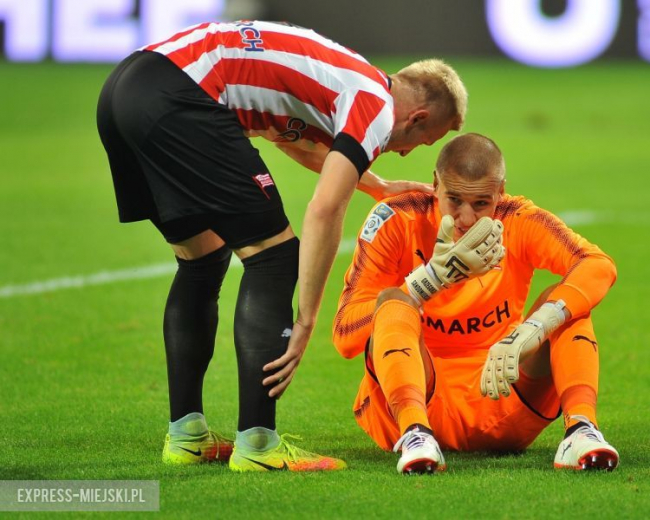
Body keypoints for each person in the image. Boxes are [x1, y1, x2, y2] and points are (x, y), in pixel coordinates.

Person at [96, 20, 467, 472]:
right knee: (273, 257)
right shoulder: (376, 106)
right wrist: (308, 318)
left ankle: (187, 435)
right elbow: (326, 209)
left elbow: (293, 139)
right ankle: (258, 444)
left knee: (202, 258)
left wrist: (377, 185)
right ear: (418, 118)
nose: (408, 152)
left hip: (126, 90)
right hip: (179, 97)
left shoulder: (346, 79)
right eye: (421, 143)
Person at [333, 133, 619, 474]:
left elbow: (598, 264)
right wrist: (427, 283)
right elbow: (345, 336)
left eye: (481, 203)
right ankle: (415, 435)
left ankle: (581, 430)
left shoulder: (519, 219)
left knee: (566, 304)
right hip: (412, 398)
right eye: (454, 200)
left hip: (501, 393)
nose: (466, 218)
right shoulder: (398, 218)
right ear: (435, 184)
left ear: (501, 191)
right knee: (394, 302)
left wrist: (532, 329)